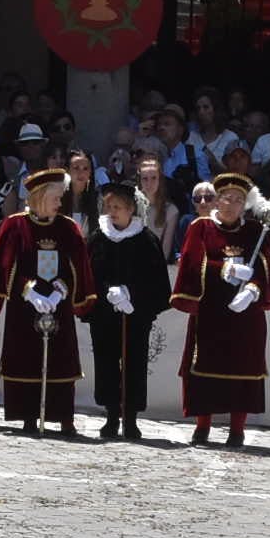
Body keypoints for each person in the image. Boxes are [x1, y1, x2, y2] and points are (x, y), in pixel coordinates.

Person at [0, 165, 94, 438]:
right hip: (24, 306)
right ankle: (28, 415)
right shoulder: (15, 225)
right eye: (55, 198)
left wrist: (60, 291)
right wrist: (29, 291)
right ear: (40, 196)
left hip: (57, 306)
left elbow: (78, 266)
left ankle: (64, 418)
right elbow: (5, 266)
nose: (59, 203)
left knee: (61, 360)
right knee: (25, 357)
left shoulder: (68, 228)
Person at [173, 169, 270, 448]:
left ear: (245, 203)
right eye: (225, 198)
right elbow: (192, 265)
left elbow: (267, 267)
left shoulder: (256, 232)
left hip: (245, 315)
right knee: (205, 369)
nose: (230, 203)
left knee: (242, 370)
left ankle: (237, 429)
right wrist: (226, 270)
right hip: (211, 312)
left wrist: (254, 288)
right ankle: (202, 426)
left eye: (237, 199)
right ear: (216, 201)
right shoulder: (200, 228)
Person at [86, 177, 169, 442]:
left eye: (118, 207)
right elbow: (90, 273)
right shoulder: (98, 238)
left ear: (131, 209)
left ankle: (131, 417)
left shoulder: (145, 240)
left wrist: (132, 294)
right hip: (105, 314)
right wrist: (106, 292)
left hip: (135, 315)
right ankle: (111, 415)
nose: (113, 212)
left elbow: (156, 279)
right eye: (109, 206)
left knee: (134, 363)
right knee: (106, 361)